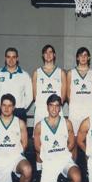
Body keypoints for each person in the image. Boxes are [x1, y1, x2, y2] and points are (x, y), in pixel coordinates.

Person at [34, 94, 81, 182]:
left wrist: (61, 153)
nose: (54, 109)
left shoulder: (67, 123)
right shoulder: (40, 125)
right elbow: (37, 146)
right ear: (47, 107)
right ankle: (56, 179)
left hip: (64, 160)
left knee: (77, 178)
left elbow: (71, 143)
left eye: (57, 106)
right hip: (49, 163)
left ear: (60, 107)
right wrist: (49, 155)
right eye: (51, 105)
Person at [32, 44, 67, 174]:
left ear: (54, 55)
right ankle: (39, 171)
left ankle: (59, 169)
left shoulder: (61, 72)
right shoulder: (37, 72)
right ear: (42, 55)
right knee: (39, 142)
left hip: (56, 109)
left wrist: (55, 107)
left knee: (59, 141)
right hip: (41, 109)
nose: (48, 54)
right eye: (45, 52)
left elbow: (63, 95)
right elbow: (35, 95)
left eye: (51, 52)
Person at [0, 47, 32, 122]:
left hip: (18, 112)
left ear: (17, 58)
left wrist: (21, 107)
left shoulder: (25, 75)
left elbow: (29, 96)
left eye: (14, 57)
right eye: (8, 57)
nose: (11, 60)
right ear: (5, 58)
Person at [67, 47, 92, 139]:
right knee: (74, 138)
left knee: (90, 138)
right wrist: (74, 105)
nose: (83, 57)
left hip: (89, 110)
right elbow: (68, 94)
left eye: (85, 55)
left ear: (89, 58)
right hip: (75, 111)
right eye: (81, 55)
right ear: (77, 58)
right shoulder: (71, 73)